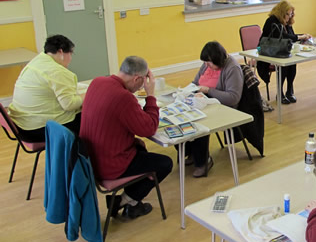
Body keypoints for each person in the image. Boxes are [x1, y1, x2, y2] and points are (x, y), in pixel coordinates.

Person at [80, 56, 173, 219]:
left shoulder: (98, 82)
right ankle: (124, 200)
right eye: (141, 84)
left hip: (90, 158)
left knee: (140, 149)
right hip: (110, 165)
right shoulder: (124, 97)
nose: (139, 89)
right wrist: (150, 95)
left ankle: (132, 203)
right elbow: (149, 128)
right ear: (137, 78)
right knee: (165, 164)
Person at [8, 34, 83, 142]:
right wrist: (89, 94)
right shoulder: (56, 71)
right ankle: (82, 156)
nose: (70, 59)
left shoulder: (36, 62)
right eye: (70, 54)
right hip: (37, 130)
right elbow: (69, 105)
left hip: (22, 125)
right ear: (61, 52)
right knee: (90, 117)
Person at [186, 41, 243, 177]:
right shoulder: (207, 64)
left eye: (209, 63)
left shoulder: (232, 68)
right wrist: (187, 92)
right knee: (183, 115)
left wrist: (208, 90)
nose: (206, 66)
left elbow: (233, 98)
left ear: (218, 59)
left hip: (223, 106)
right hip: (204, 100)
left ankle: (203, 161)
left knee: (201, 121)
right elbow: (195, 83)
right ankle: (191, 152)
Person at [257, 0, 310, 104]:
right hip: (268, 51)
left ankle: (289, 90)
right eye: (288, 14)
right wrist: (300, 37)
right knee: (284, 64)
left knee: (292, 63)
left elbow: (291, 36)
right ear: (282, 12)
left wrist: (303, 36)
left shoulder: (287, 22)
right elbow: (282, 37)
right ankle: (280, 92)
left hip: (280, 51)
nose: (289, 17)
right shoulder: (272, 21)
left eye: (291, 14)